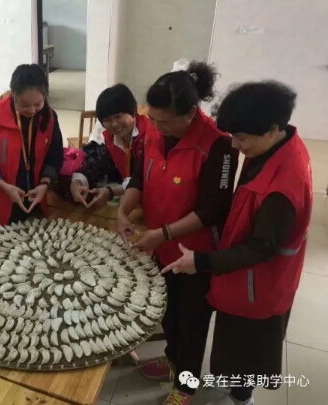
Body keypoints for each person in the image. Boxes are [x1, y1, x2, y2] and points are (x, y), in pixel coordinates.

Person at [162, 81, 310, 405]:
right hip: (242, 275)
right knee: (232, 345)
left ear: (272, 129)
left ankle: (242, 399)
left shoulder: (284, 185)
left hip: (261, 282)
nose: (235, 145)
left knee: (248, 351)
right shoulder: (274, 147)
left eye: (241, 138)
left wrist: (201, 261)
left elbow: (262, 248)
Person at [117, 61, 239, 405]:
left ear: (190, 114)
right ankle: (172, 359)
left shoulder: (219, 145)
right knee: (167, 313)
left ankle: (186, 385)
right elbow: (140, 177)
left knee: (192, 323)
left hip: (193, 255)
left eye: (165, 121)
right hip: (160, 246)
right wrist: (123, 211)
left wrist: (164, 233)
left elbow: (213, 209)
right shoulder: (156, 131)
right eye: (152, 119)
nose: (156, 127)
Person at [0, 64, 64, 231]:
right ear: (13, 94)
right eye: (24, 104)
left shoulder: (49, 117)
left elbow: (55, 155)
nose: (32, 110)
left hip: (34, 203)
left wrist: (45, 184)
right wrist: (3, 185)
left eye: (38, 103)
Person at [70, 84, 149, 208]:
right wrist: (76, 183)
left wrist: (111, 192)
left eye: (118, 116)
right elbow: (98, 164)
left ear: (133, 112)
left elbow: (144, 179)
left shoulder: (150, 136)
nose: (114, 124)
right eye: (107, 119)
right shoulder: (112, 139)